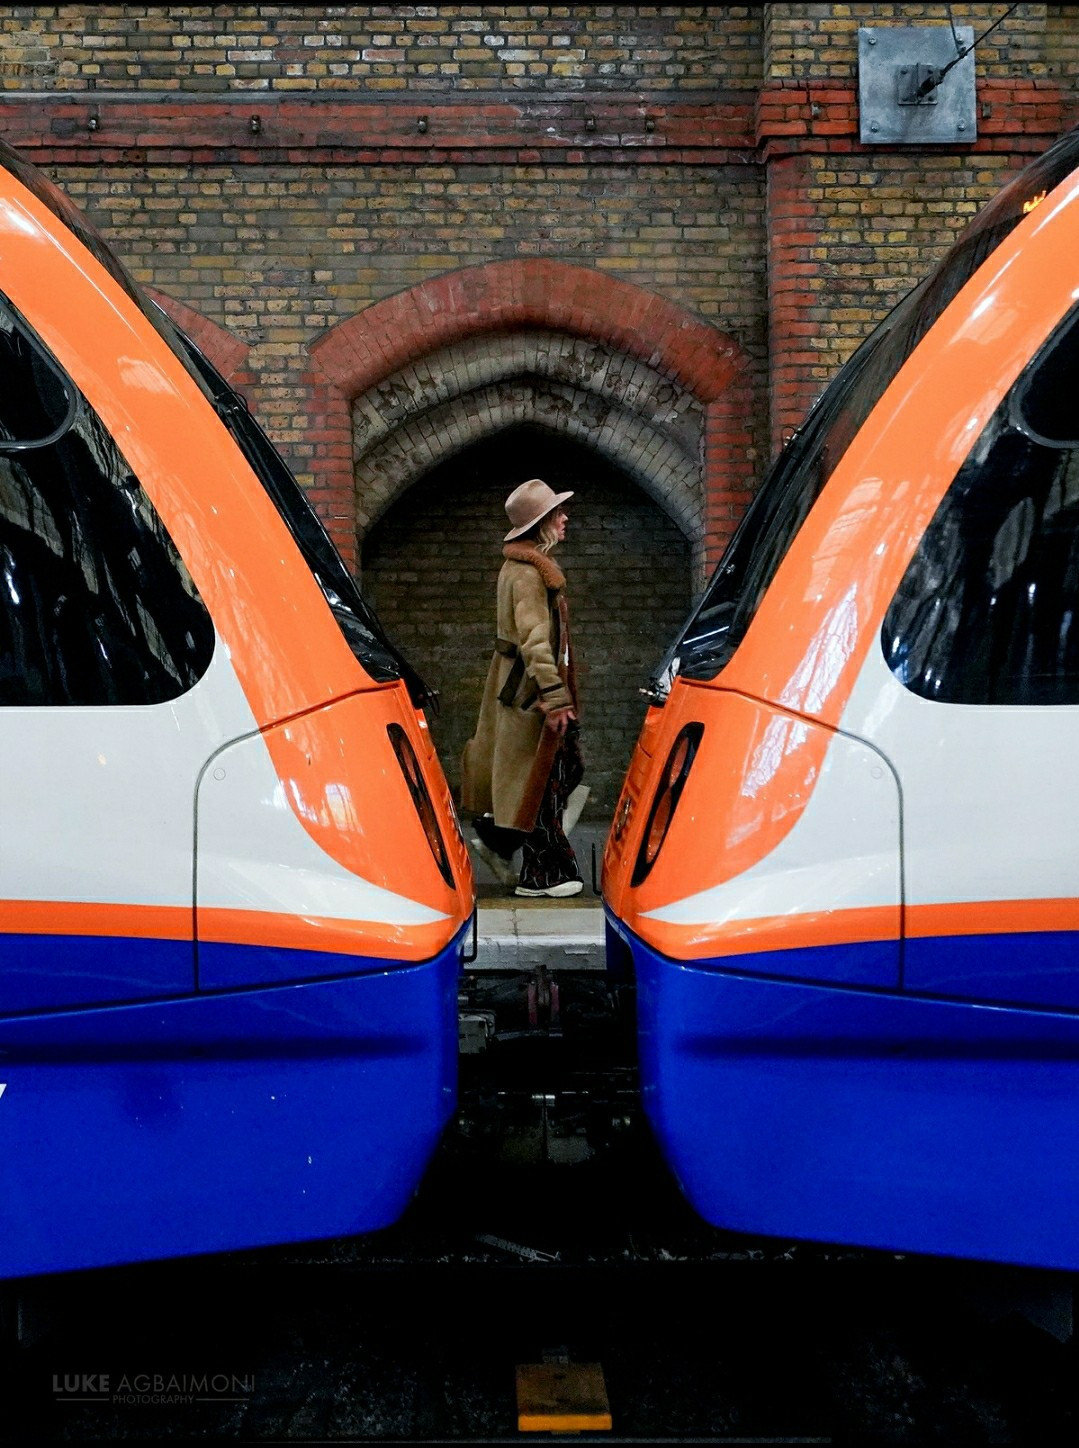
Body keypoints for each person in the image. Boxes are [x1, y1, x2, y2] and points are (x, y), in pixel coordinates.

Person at [461, 477, 587, 898]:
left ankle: (527, 864)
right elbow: (534, 639)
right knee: (542, 780)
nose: (565, 518)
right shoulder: (530, 575)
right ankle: (547, 873)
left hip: (521, 691)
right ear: (541, 524)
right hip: (529, 696)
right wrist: (553, 697)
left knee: (547, 777)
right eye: (557, 513)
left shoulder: (522, 568)